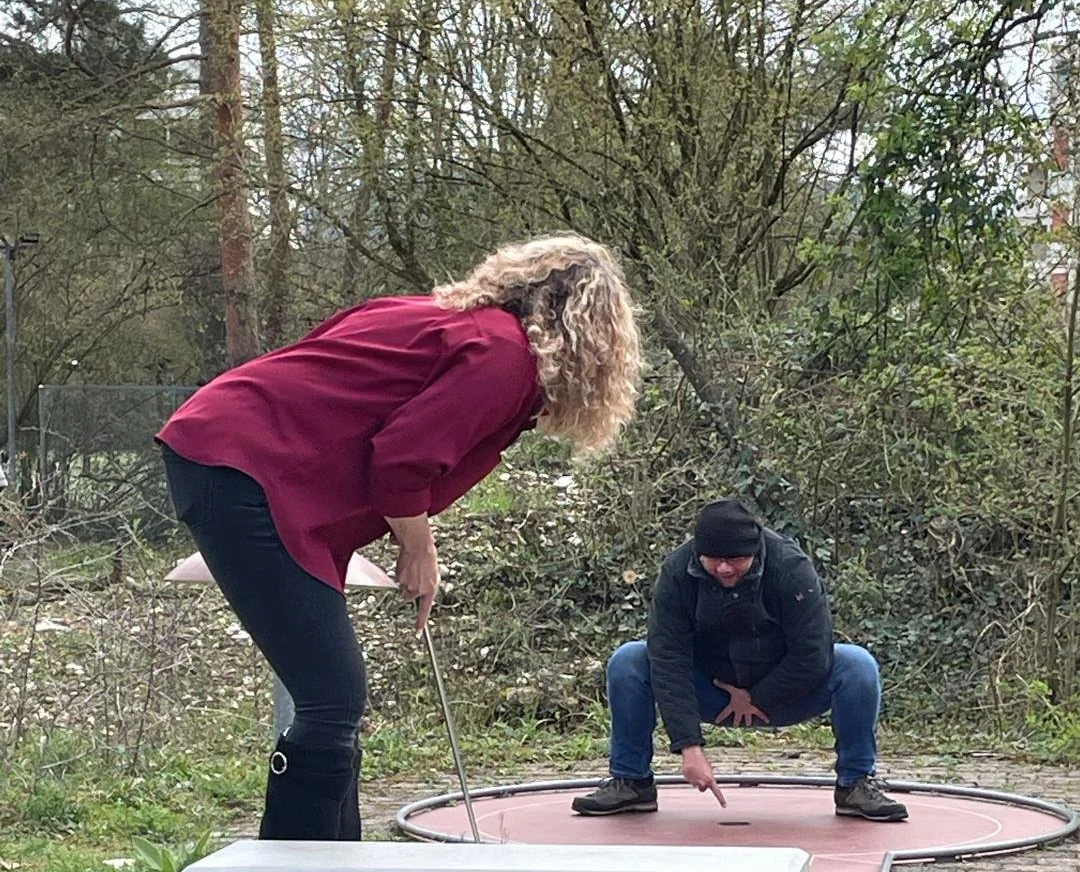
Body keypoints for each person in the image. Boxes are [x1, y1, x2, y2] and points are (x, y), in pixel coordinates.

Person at [158, 235, 641, 840]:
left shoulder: (432, 318)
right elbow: (402, 460)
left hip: (240, 462)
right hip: (246, 472)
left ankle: (338, 867)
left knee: (334, 701)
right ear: (590, 332)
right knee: (331, 699)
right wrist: (419, 549)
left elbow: (342, 397)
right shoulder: (501, 356)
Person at [572, 499, 907, 822]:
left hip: (781, 693)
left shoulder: (790, 568)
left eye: (734, 559)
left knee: (857, 664)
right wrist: (689, 746)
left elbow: (813, 654)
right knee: (629, 659)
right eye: (713, 559)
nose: (723, 568)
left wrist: (756, 697)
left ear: (754, 551)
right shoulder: (676, 572)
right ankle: (632, 782)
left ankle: (855, 783)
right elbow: (667, 658)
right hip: (710, 693)